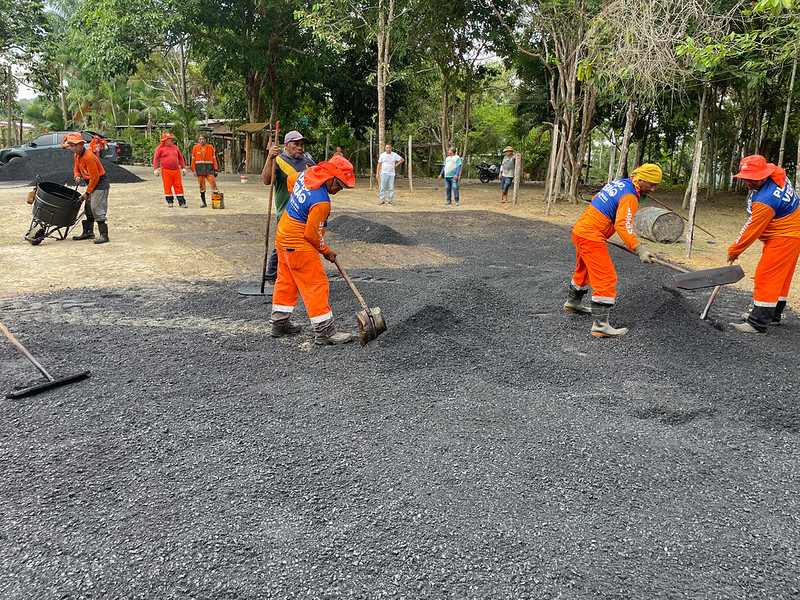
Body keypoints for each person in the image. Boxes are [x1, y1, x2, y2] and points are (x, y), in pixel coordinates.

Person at [563, 164, 662, 337]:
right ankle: (600, 326)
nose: (653, 189)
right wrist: (639, 250)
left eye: (655, 186)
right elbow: (622, 225)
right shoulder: (630, 196)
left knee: (584, 270)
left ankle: (573, 303)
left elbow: (597, 198)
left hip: (581, 230)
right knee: (606, 277)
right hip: (591, 236)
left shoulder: (619, 183)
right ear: (640, 179)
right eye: (651, 185)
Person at [269, 155, 356, 345]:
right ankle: (325, 331)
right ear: (331, 177)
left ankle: (278, 323)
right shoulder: (322, 202)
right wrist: (327, 251)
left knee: (286, 281)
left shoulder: (306, 175)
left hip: (283, 236)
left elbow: (290, 181)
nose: (340, 189)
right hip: (299, 244)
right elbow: (312, 234)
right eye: (340, 184)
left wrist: (299, 205)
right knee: (316, 284)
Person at [727, 155, 800, 334]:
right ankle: (773, 315)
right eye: (745, 178)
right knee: (780, 277)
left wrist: (734, 250)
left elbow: (751, 229)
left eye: (752, 178)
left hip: (784, 237)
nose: (748, 182)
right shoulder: (777, 174)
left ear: (763, 175)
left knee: (766, 275)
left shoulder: (766, 200)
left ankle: (757, 323)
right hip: (791, 234)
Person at [261, 130, 316, 284]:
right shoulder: (278, 161)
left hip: (306, 212)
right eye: (296, 144)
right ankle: (272, 274)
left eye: (302, 144)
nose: (300, 147)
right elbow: (266, 180)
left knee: (303, 244)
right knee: (283, 243)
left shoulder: (309, 163)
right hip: (286, 211)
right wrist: (270, 158)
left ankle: (297, 273)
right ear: (286, 145)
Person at [62, 132, 111, 244]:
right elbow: (76, 168)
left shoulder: (89, 157)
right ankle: (88, 232)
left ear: (81, 144)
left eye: (75, 145)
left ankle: (104, 235)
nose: (73, 148)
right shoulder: (77, 156)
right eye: (71, 146)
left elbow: (95, 178)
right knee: (88, 208)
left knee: (96, 207)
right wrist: (77, 176)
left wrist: (87, 193)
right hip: (91, 183)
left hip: (100, 184)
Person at [153, 132, 187, 207]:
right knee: (167, 186)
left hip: (176, 170)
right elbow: (156, 158)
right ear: (164, 140)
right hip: (166, 170)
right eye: (167, 139)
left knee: (178, 186)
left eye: (170, 139)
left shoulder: (175, 148)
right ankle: (170, 201)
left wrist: (183, 168)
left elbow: (180, 158)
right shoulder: (160, 148)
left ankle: (182, 202)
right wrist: (155, 169)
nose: (169, 140)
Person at [190, 134, 220, 208]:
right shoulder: (195, 148)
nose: (201, 141)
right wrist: (193, 170)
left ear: (205, 140)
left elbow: (214, 158)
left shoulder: (210, 147)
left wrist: (216, 169)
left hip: (209, 169)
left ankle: (216, 202)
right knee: (201, 186)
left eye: (202, 139)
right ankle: (204, 202)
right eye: (200, 139)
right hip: (199, 170)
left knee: (213, 185)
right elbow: (193, 159)